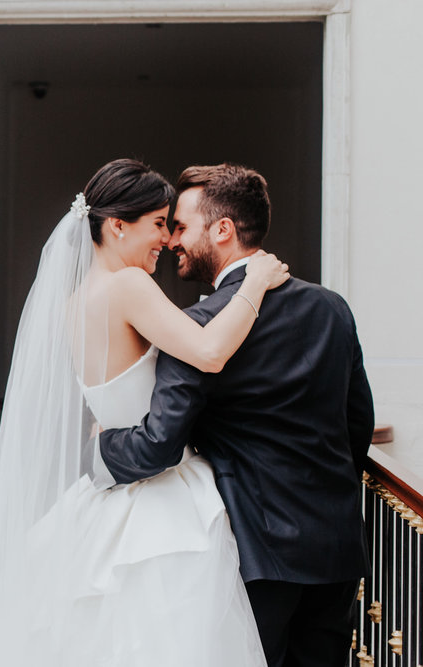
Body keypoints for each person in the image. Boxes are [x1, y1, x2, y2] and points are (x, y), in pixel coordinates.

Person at [0, 159, 288, 667]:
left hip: (109, 487)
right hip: (158, 492)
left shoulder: (77, 300)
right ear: (117, 226)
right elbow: (208, 352)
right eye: (159, 223)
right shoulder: (128, 287)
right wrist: (254, 281)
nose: (167, 239)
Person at [99, 163, 373, 667]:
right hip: (336, 549)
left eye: (180, 225)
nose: (172, 239)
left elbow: (158, 445)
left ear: (222, 230)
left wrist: (102, 442)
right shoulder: (333, 308)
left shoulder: (197, 327)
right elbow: (358, 426)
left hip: (255, 554)